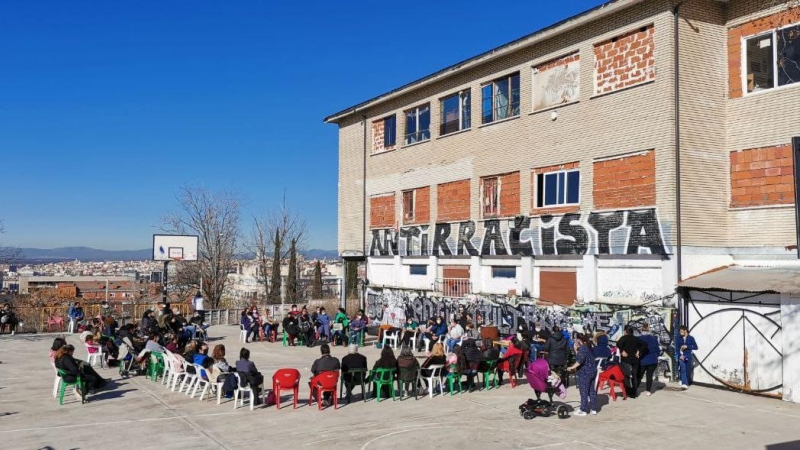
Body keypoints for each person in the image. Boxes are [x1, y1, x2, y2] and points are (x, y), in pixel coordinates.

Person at [567, 333, 597, 416]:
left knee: (583, 391)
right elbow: (581, 358)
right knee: (591, 390)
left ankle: (583, 410)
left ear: (579, 340)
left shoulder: (583, 348)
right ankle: (593, 409)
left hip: (585, 372)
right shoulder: (589, 347)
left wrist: (571, 367)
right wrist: (576, 350)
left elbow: (579, 361)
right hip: (593, 371)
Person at [616, 325, 647, 398]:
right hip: (634, 360)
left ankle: (627, 391)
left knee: (626, 376)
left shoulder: (623, 338)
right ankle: (634, 393)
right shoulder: (636, 339)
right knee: (634, 376)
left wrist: (622, 350)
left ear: (625, 331)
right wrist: (639, 351)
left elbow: (618, 344)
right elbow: (645, 344)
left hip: (626, 360)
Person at [638, 323, 661, 396]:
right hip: (652, 360)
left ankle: (636, 388)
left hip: (642, 360)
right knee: (649, 376)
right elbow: (658, 350)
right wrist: (656, 356)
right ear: (649, 330)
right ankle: (648, 391)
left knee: (639, 375)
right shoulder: (654, 339)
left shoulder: (638, 339)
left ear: (641, 330)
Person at [676, 325, 698, 389]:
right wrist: (679, 356)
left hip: (688, 356)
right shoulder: (679, 338)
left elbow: (696, 347)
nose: (680, 332)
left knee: (687, 369)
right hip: (681, 356)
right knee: (683, 368)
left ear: (685, 331)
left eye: (681, 331)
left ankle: (685, 381)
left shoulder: (691, 338)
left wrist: (687, 346)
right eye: (680, 331)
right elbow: (677, 348)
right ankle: (684, 383)